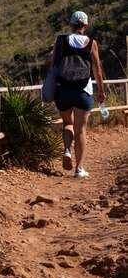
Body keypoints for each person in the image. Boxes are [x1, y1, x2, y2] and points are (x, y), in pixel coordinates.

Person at [52, 11, 105, 178]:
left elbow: (53, 65)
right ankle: (79, 169)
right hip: (83, 91)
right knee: (81, 130)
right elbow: (97, 71)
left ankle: (67, 150)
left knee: (68, 123)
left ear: (71, 24)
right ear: (86, 26)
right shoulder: (92, 43)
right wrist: (101, 91)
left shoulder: (61, 40)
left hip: (63, 90)